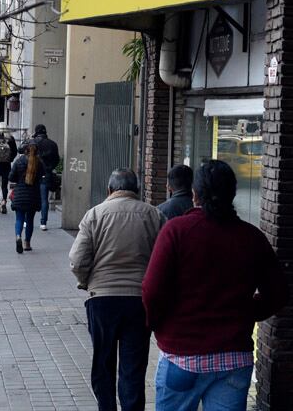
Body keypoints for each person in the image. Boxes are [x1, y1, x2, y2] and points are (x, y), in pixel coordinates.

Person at [142, 160, 288, 411]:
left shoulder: (177, 231)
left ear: (195, 195)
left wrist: (159, 325)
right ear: (233, 193)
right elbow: (278, 293)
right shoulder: (251, 237)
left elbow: (152, 290)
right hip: (233, 357)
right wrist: (247, 312)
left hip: (182, 354)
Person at [69, 169, 165, 411]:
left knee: (103, 362)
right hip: (139, 301)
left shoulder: (94, 215)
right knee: (133, 366)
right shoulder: (154, 215)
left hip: (102, 300)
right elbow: (165, 260)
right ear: (137, 191)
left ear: (109, 190)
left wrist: (87, 282)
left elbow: (78, 260)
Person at [8, 142, 41, 253]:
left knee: (19, 218)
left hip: (20, 195)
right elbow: (43, 174)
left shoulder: (19, 161)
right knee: (30, 220)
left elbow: (11, 177)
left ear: (25, 150)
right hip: (33, 195)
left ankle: (18, 236)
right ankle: (27, 243)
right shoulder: (38, 162)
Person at [30, 124, 60, 230]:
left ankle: (27, 221)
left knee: (30, 197)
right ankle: (43, 223)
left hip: (33, 174)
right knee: (44, 199)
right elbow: (57, 159)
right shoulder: (53, 144)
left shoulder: (33, 142)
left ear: (36, 132)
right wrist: (50, 168)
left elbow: (21, 150)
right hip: (46, 174)